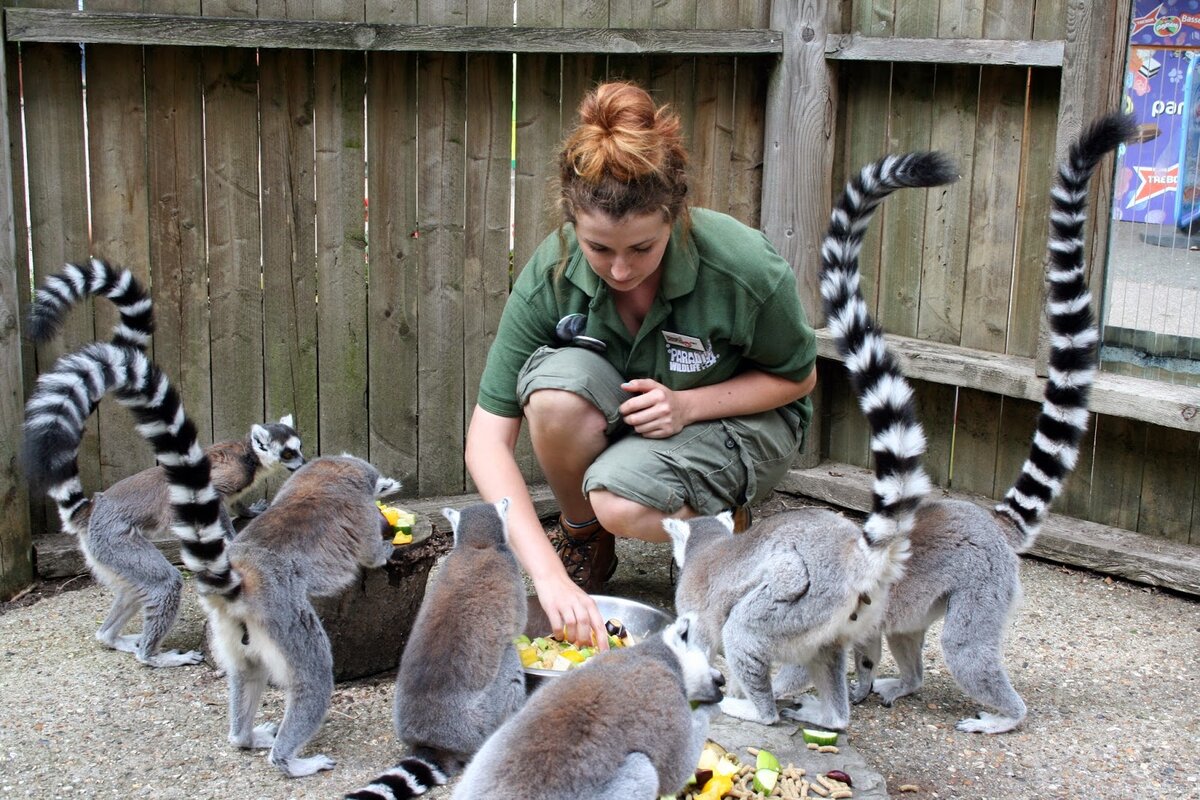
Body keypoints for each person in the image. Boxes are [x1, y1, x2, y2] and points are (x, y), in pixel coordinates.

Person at [464, 80, 817, 647]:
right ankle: (582, 541)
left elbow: (799, 377)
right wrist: (549, 580)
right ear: (573, 223)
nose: (621, 271)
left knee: (618, 501)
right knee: (554, 397)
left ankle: (728, 534)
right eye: (599, 249)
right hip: (638, 430)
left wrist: (688, 405)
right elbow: (486, 442)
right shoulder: (550, 272)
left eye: (642, 249)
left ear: (673, 218)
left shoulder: (743, 265)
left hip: (741, 421)